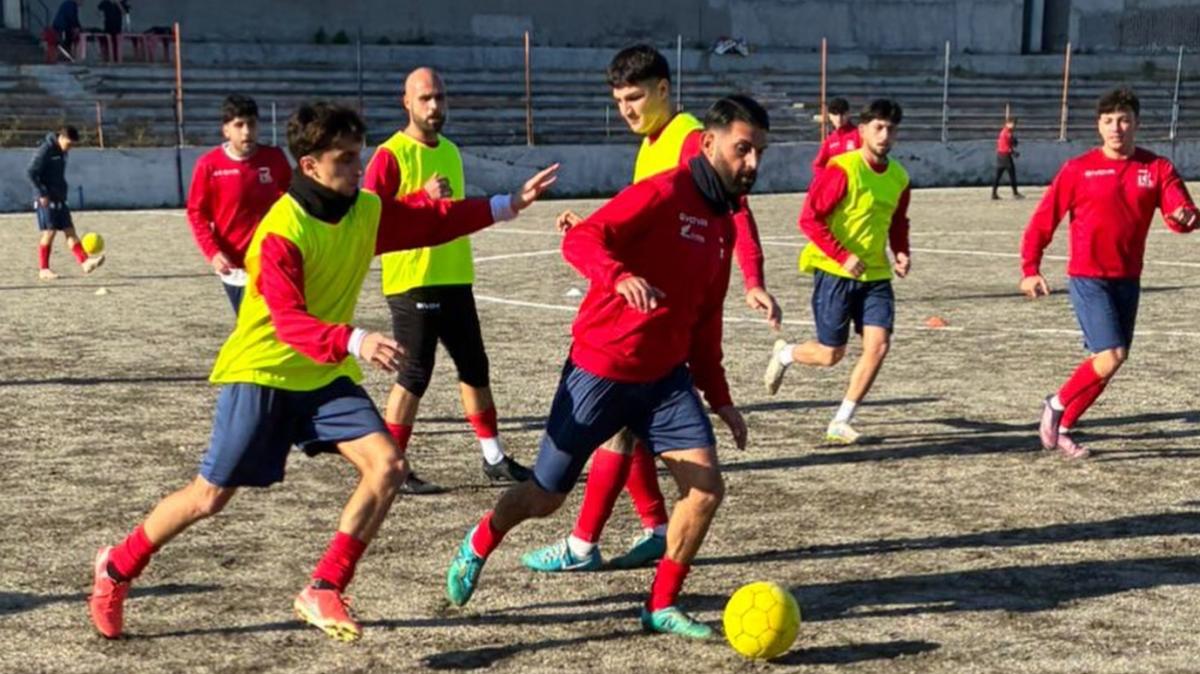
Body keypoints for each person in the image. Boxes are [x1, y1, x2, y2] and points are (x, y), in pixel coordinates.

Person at [86, 102, 559, 642]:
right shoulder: (282, 231)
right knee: (208, 497)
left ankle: (326, 586)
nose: (359, 168)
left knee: (389, 466)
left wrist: (505, 204)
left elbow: (429, 220)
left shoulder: (363, 210)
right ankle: (116, 568)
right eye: (346, 159)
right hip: (263, 371)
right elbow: (289, 322)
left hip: (321, 375)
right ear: (310, 166)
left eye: (359, 155)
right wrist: (356, 339)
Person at [445, 95, 769, 641]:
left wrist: (720, 398)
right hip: (601, 369)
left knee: (706, 490)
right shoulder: (663, 193)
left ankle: (660, 604)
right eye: (743, 149)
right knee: (545, 497)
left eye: (759, 151)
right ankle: (480, 541)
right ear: (709, 143)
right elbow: (582, 237)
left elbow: (706, 320)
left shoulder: (724, 224)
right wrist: (618, 276)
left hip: (665, 382)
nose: (752, 163)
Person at [526, 45, 779, 573]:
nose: (627, 109)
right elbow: (644, 217)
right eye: (619, 100)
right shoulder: (651, 146)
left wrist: (753, 279)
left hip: (663, 326)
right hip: (642, 321)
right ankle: (649, 529)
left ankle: (586, 544)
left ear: (664, 89)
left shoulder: (689, 137)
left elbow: (735, 211)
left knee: (621, 430)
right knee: (625, 432)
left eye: (636, 97)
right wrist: (594, 233)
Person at [363, 67, 531, 495]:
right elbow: (368, 218)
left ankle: (493, 457)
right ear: (406, 103)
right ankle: (392, 468)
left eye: (439, 97)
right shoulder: (390, 155)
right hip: (412, 282)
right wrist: (420, 198)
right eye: (425, 98)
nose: (434, 106)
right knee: (414, 375)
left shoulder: (451, 151)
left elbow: (452, 216)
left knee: (475, 367)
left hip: (456, 276)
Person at [1021, 88, 1197, 459]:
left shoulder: (1157, 168)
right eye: (1108, 121)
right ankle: (1055, 405)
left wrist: (1186, 217)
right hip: (1089, 277)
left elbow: (1180, 214)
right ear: (1098, 126)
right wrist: (1030, 268)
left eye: (1123, 120)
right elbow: (1043, 220)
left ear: (1136, 123)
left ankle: (1064, 428)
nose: (1116, 128)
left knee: (1110, 363)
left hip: (1128, 279)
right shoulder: (1078, 169)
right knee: (1110, 355)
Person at [764, 99, 912, 445]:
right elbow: (809, 219)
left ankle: (841, 420)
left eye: (891, 129)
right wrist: (843, 255)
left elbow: (897, 221)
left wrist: (901, 250)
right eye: (878, 127)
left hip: (875, 275)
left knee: (879, 346)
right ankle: (785, 353)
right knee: (831, 354)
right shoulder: (842, 169)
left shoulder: (899, 178)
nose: (884, 135)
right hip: (834, 271)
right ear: (862, 131)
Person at [187, 94, 292, 314]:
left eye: (251, 124)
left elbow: (291, 200)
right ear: (226, 130)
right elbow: (197, 213)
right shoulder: (209, 165)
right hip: (235, 267)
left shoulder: (274, 158)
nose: (246, 132)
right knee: (250, 326)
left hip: (272, 260)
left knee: (281, 323)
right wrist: (213, 252)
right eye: (239, 125)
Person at [28, 125, 103, 280]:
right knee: (50, 232)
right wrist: (42, 193)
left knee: (70, 230)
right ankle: (44, 269)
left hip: (59, 197)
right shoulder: (45, 150)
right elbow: (31, 172)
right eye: (69, 144)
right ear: (61, 138)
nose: (70, 148)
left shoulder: (62, 151)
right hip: (46, 199)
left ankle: (85, 262)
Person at [810, 96, 861, 182]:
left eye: (842, 114)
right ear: (830, 116)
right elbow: (818, 165)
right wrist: (827, 179)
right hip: (837, 185)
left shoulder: (858, 135)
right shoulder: (830, 140)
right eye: (835, 114)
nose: (839, 118)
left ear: (848, 114)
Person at [992, 117, 1022, 200]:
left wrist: (1013, 142)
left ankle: (994, 193)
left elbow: (1010, 144)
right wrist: (1013, 152)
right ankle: (1015, 193)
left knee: (998, 175)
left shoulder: (1008, 132)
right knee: (1011, 174)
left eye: (1015, 124)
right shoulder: (1005, 133)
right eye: (1013, 124)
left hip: (1001, 156)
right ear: (1007, 123)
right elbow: (1005, 146)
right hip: (1005, 156)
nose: (1014, 126)